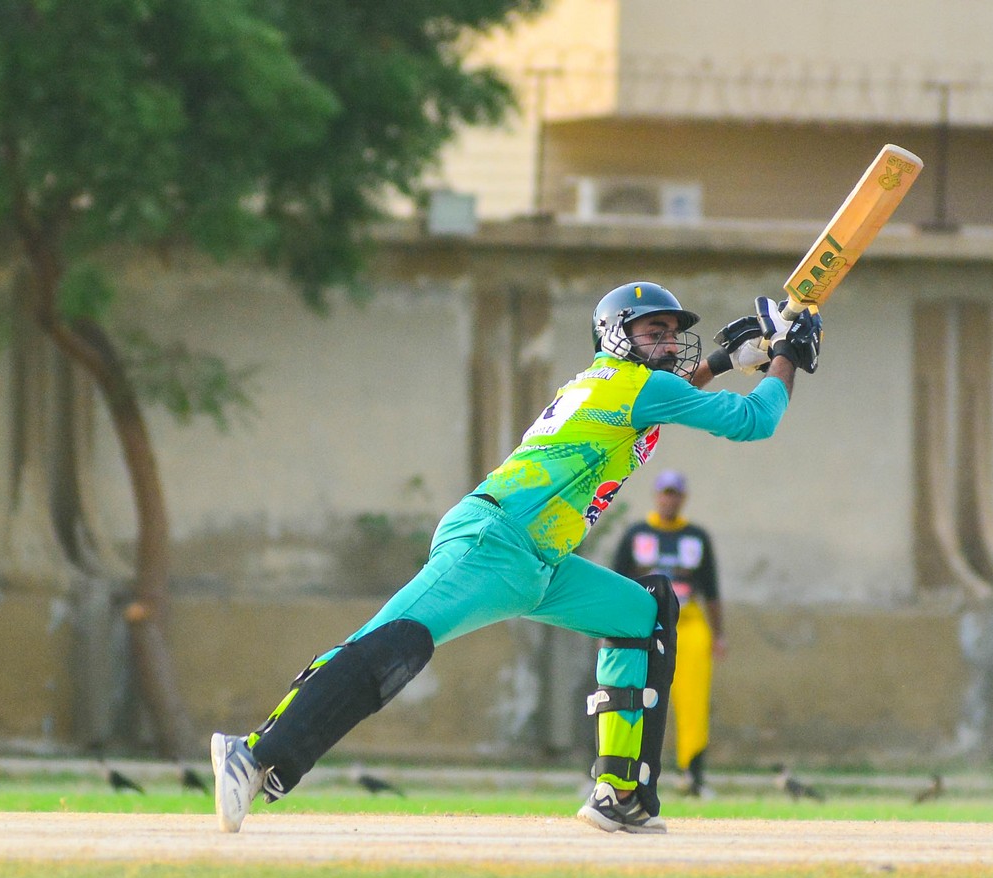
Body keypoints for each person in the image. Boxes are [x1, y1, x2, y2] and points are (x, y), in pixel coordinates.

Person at [211, 281, 821, 835]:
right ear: (616, 335)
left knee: (641, 615)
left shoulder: (616, 385)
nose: (667, 343)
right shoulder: (641, 387)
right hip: (495, 542)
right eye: (652, 331)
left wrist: (722, 361)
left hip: (540, 561)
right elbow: (755, 420)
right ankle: (255, 753)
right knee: (392, 643)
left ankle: (618, 794)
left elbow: (659, 404)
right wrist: (786, 355)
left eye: (672, 333)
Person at [611, 468, 725, 799]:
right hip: (646, 623)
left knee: (693, 700)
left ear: (683, 498)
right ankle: (623, 770)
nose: (669, 500)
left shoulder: (696, 537)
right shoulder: (637, 533)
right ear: (656, 495)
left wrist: (719, 635)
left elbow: (711, 590)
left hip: (688, 622)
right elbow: (616, 582)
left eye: (675, 494)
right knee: (632, 693)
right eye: (665, 493)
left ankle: (693, 775)